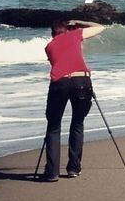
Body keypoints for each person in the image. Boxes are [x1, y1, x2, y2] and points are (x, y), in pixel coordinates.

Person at [39, 18, 105, 182]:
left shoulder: (49, 47)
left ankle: (52, 172)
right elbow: (100, 27)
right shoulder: (75, 35)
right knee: (77, 122)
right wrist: (79, 23)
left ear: (52, 32)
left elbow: (61, 59)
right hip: (81, 81)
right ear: (68, 29)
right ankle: (73, 168)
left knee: (54, 126)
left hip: (59, 83)